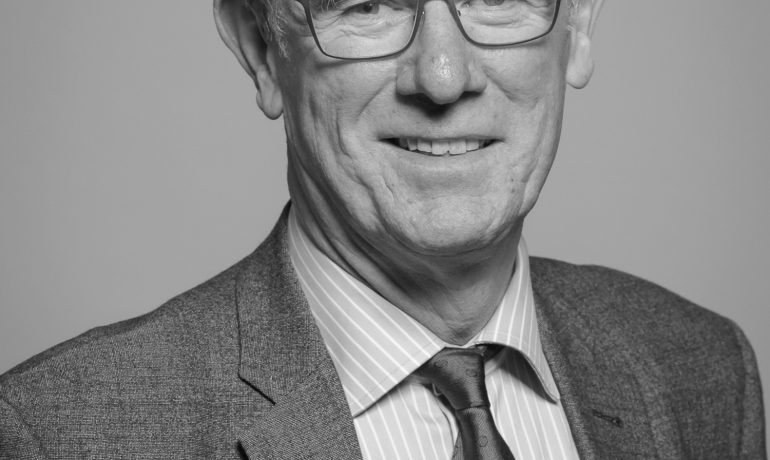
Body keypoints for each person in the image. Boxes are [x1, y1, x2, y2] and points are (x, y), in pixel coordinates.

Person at [0, 0, 765, 458]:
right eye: (367, 5)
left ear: (581, 24)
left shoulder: (702, 371)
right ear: (262, 48)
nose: (443, 76)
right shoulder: (59, 433)